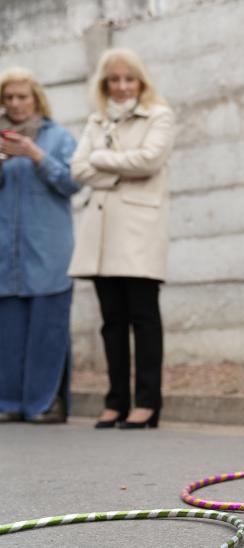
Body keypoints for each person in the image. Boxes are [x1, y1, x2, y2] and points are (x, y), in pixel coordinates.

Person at [68, 48, 175, 430]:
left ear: (140, 82)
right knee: (111, 320)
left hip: (139, 232)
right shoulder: (97, 121)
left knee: (143, 318)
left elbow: (149, 160)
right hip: (101, 234)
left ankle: (147, 402)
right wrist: (112, 166)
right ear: (105, 84)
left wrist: (101, 160)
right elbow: (77, 167)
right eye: (114, 80)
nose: (122, 86)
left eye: (129, 79)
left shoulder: (159, 115)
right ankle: (115, 400)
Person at [0, 68, 79, 424]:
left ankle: (45, 403)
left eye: (22, 96)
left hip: (48, 250)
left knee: (48, 331)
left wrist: (34, 154)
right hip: (6, 255)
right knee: (9, 335)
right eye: (9, 97)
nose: (16, 104)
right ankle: (10, 403)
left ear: (36, 99)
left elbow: (72, 182)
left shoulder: (58, 137)